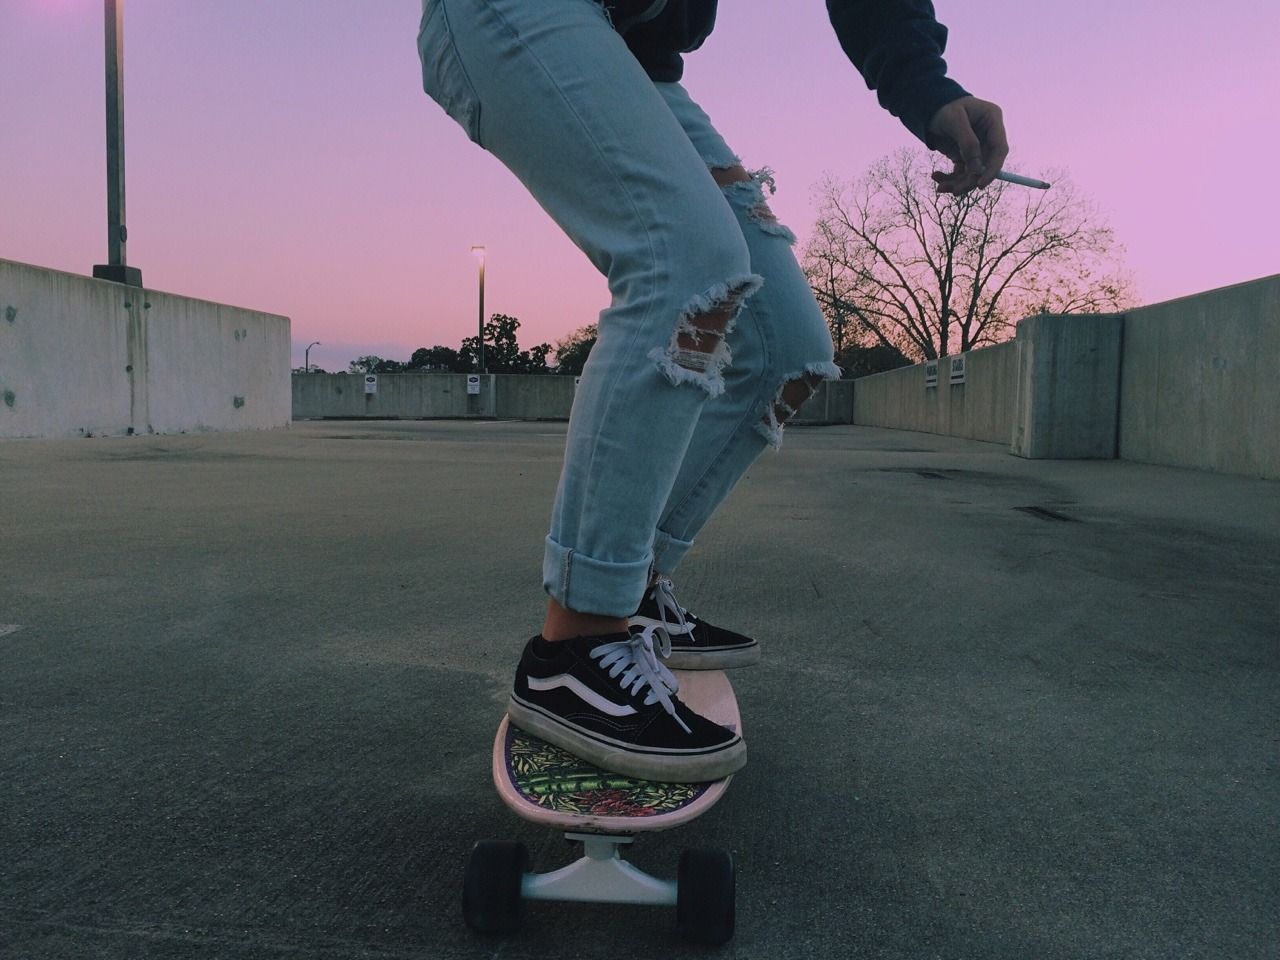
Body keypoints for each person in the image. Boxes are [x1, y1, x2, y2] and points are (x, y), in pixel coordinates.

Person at [416, 0, 1009, 782]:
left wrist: (926, 86)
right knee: (683, 264)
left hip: (638, 61)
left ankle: (633, 586)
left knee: (785, 345)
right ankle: (576, 641)